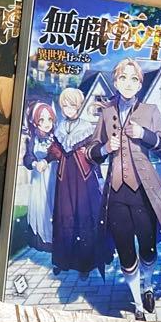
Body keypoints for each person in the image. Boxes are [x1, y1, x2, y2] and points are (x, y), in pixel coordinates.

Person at [85, 58, 161, 319]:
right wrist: (105, 148)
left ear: (140, 84)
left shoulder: (151, 111)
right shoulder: (106, 112)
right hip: (116, 195)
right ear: (115, 82)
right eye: (122, 78)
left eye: (133, 79)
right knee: (126, 252)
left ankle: (148, 286)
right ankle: (138, 305)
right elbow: (90, 153)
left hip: (144, 193)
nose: (128, 83)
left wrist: (145, 135)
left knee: (148, 248)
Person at [48, 89, 110, 277]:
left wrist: (99, 177)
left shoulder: (87, 127)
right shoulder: (60, 127)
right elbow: (54, 149)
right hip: (64, 177)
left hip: (84, 178)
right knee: (64, 214)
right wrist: (48, 158)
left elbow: (96, 154)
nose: (68, 109)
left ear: (79, 106)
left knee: (84, 216)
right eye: (65, 105)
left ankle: (86, 264)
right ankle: (62, 260)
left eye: (72, 105)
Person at [23, 101, 58, 250]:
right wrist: (34, 164)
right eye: (42, 120)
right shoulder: (32, 139)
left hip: (54, 177)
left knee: (54, 205)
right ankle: (43, 241)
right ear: (35, 121)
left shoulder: (57, 137)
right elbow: (27, 158)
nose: (46, 123)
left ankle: (56, 239)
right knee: (41, 207)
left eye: (49, 119)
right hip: (39, 180)